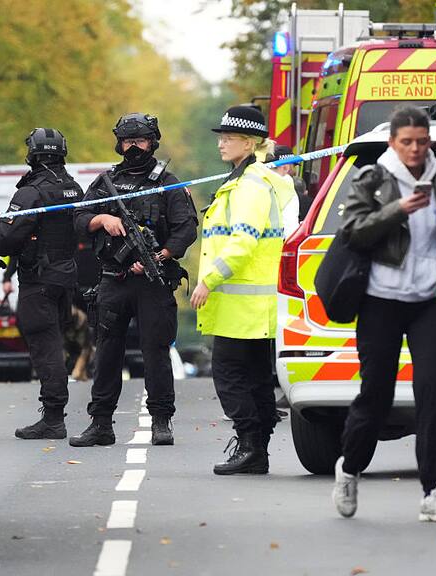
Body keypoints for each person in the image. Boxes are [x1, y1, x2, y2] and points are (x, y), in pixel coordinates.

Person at [332, 105, 436, 521]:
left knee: (434, 392)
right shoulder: (373, 180)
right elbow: (352, 230)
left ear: (430, 142)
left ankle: (432, 495)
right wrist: (397, 210)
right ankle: (349, 468)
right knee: (377, 396)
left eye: (422, 142)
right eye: (407, 142)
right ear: (393, 143)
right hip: (380, 303)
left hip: (426, 303)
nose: (415, 150)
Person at [70, 113, 197, 447]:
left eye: (140, 141)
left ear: (152, 141)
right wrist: (102, 218)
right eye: (128, 141)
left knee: (155, 351)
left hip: (153, 283)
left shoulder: (168, 182)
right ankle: (100, 424)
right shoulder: (105, 182)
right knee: (108, 351)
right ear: (119, 143)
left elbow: (187, 228)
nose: (134, 148)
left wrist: (162, 255)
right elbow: (78, 218)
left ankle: (161, 421)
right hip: (114, 279)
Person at [190, 106, 294, 475]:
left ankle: (250, 444)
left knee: (230, 375)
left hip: (241, 304)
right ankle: (256, 451)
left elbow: (242, 243)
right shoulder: (246, 181)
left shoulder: (250, 186)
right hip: (251, 305)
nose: (221, 143)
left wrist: (208, 281)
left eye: (228, 138)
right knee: (254, 378)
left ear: (248, 143)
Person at [0, 128, 84, 439]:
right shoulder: (73, 187)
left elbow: (7, 240)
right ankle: (53, 414)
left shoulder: (31, 193)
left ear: (32, 153)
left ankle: (53, 418)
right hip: (65, 280)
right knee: (55, 342)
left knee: (45, 348)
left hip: (39, 281)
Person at [268, 143, 313, 228]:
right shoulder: (288, 190)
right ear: (285, 167)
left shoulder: (258, 185)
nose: (295, 171)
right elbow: (290, 227)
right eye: (293, 166)